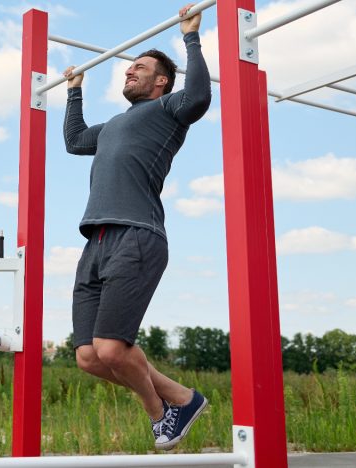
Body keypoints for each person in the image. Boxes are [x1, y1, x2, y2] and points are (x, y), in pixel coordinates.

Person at [62, 3, 211, 451]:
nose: (129, 73)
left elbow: (200, 97)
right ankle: (184, 400)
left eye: (139, 68)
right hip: (96, 240)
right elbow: (73, 141)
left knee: (112, 348)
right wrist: (74, 91)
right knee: (89, 357)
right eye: (128, 69)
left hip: (138, 234)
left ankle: (162, 415)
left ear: (161, 80)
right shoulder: (112, 127)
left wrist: (191, 37)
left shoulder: (169, 110)